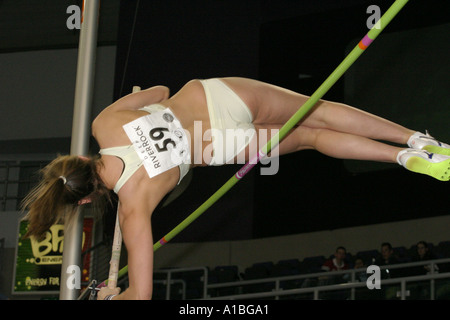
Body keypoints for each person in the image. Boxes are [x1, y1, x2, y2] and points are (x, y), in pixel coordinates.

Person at [20, 77, 450, 300]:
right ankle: (416, 140)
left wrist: (117, 295)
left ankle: (399, 159)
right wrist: (142, 111)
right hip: (217, 98)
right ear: (77, 158)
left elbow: (144, 293)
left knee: (315, 138)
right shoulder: (103, 123)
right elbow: (161, 91)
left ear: (89, 197)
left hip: (221, 146)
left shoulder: (134, 206)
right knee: (321, 110)